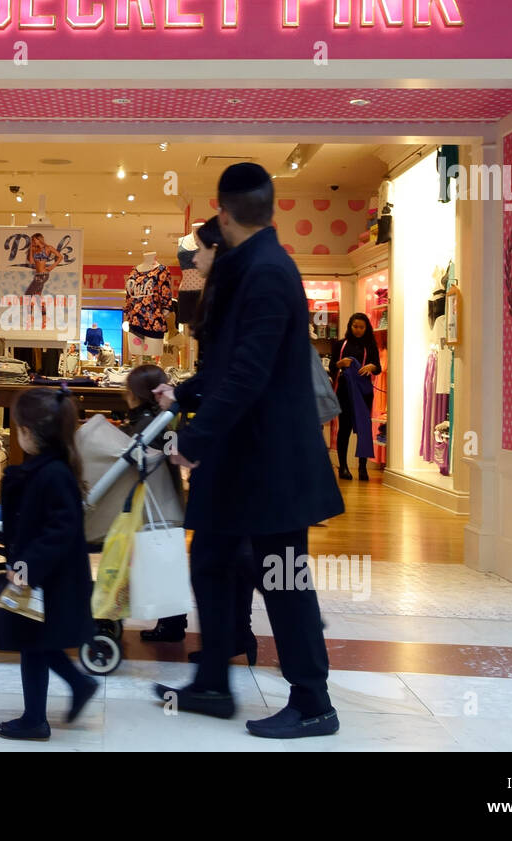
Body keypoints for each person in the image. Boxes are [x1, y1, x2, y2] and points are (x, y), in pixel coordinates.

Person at [152, 163, 345, 739]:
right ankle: (213, 682)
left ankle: (313, 703)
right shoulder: (251, 265)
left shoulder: (266, 271)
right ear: (270, 206)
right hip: (243, 457)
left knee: (284, 579)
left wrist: (193, 437)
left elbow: (249, 373)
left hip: (270, 461)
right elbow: (227, 365)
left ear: (222, 207)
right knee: (211, 561)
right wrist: (185, 392)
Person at [137, 219, 256, 660]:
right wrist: (182, 394)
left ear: (216, 251)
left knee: (219, 552)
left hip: (230, 446)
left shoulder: (227, 298)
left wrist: (194, 438)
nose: (193, 261)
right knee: (230, 548)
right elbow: (219, 375)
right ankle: (230, 643)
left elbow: (234, 379)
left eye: (199, 252)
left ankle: (225, 658)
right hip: (233, 444)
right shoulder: (227, 294)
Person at [0, 387, 99, 741]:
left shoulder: (52, 474)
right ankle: (73, 688)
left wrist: (26, 566)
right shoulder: (46, 469)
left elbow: (62, 529)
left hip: (50, 578)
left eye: (18, 427)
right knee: (36, 642)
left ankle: (37, 717)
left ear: (28, 432)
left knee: (34, 643)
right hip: (41, 575)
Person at [332, 312, 381, 481]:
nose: (358, 330)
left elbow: (378, 367)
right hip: (344, 392)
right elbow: (332, 366)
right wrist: (341, 363)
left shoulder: (371, 345)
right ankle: (343, 467)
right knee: (344, 429)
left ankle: (362, 468)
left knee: (364, 429)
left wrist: (371, 366)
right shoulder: (340, 345)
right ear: (350, 327)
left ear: (366, 328)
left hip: (364, 392)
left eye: (361, 327)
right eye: (355, 327)